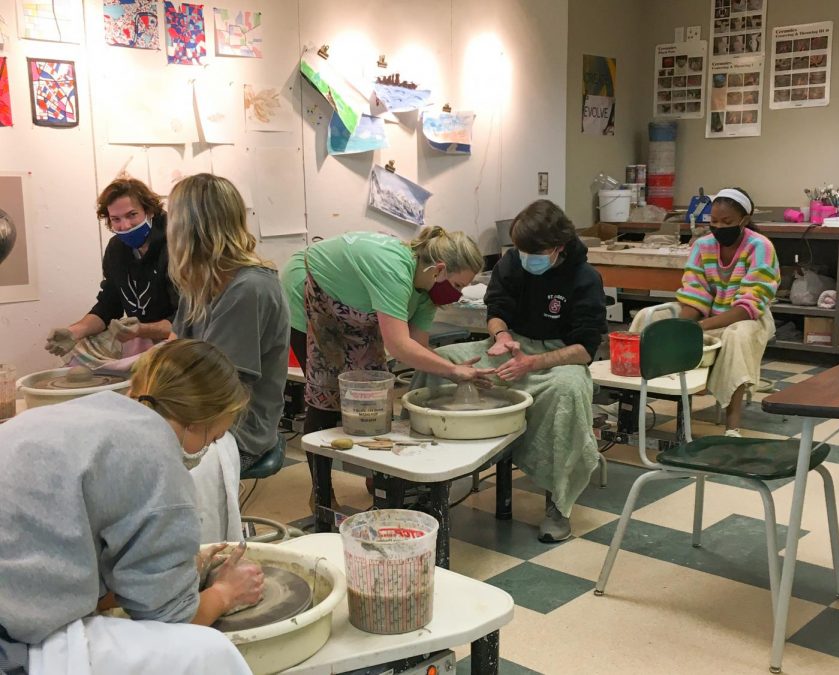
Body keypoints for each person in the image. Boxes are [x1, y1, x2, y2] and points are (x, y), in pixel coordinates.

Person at [0, 339, 261, 674]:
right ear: (197, 420)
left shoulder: (91, 409)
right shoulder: (157, 456)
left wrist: (181, 569)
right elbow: (174, 620)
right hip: (12, 642)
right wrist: (226, 593)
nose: (207, 450)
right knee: (208, 652)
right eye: (212, 439)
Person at [409, 200, 607, 542]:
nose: (526, 257)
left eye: (536, 251)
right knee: (443, 363)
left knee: (568, 392)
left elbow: (585, 350)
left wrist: (533, 362)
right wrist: (501, 336)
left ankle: (558, 504)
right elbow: (496, 307)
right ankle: (421, 481)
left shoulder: (585, 278)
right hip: (511, 346)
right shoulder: (513, 262)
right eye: (520, 249)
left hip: (559, 357)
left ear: (558, 247)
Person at [281, 227, 492, 508]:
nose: (457, 294)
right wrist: (453, 371)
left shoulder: (427, 291)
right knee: (325, 395)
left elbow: (415, 349)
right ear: (439, 270)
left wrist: (450, 369)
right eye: (456, 286)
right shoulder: (394, 267)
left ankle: (379, 478)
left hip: (357, 307)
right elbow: (399, 346)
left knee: (374, 396)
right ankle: (321, 494)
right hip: (312, 288)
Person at [167, 173, 290, 540]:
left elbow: (216, 391)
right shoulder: (202, 280)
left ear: (189, 226)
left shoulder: (247, 289)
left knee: (138, 466)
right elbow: (173, 352)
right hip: (201, 408)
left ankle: (191, 565)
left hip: (237, 424)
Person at [632, 187, 779, 436]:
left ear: (744, 220)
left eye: (727, 222)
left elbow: (748, 306)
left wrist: (696, 329)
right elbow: (694, 293)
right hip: (705, 316)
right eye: (714, 221)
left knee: (737, 335)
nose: (719, 227)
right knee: (648, 317)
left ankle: (732, 424)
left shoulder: (760, 246)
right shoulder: (702, 246)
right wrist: (679, 328)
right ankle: (635, 400)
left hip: (747, 318)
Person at [45, 178, 178, 362]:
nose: (125, 226)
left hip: (180, 340)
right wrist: (74, 332)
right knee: (82, 353)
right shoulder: (117, 249)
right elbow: (109, 304)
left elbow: (188, 320)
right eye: (116, 219)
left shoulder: (176, 246)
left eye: (132, 215)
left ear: (149, 211)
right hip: (142, 339)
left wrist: (142, 330)